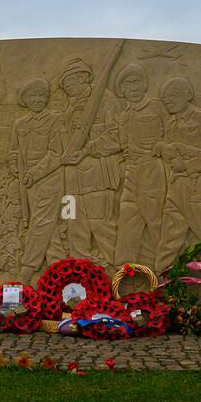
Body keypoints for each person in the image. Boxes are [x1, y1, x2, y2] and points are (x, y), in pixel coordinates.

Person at [71, 62, 163, 267]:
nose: (133, 87)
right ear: (122, 90)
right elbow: (109, 140)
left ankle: (166, 271)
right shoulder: (123, 117)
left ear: (145, 84)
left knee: (156, 221)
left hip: (152, 172)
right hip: (131, 172)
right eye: (128, 84)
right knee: (127, 221)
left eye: (137, 82)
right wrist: (84, 152)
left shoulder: (158, 108)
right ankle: (124, 273)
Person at [154, 77, 201, 271]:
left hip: (198, 184)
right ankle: (161, 285)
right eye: (164, 98)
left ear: (188, 95)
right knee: (169, 239)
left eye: (172, 96)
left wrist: (188, 165)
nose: (167, 100)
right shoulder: (171, 123)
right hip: (175, 186)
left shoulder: (200, 117)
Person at [55, 58, 120, 265]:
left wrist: (87, 151)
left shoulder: (105, 99)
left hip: (97, 177)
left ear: (84, 77)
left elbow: (117, 135)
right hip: (72, 181)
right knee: (75, 226)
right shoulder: (69, 108)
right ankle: (81, 278)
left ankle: (120, 272)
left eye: (70, 83)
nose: (67, 89)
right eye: (64, 86)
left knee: (102, 225)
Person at [12, 78, 67, 280]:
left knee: (41, 221)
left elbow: (55, 153)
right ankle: (60, 269)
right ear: (24, 99)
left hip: (49, 177)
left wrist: (33, 174)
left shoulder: (55, 119)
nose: (38, 99)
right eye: (32, 96)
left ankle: (27, 268)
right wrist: (13, 164)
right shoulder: (20, 124)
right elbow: (14, 150)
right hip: (28, 183)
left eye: (42, 95)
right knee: (46, 225)